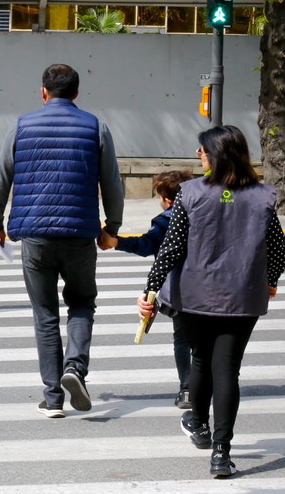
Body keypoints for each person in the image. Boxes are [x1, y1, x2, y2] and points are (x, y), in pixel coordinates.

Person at [137, 125, 285, 477]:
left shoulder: (190, 193)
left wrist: (150, 290)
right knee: (228, 369)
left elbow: (171, 248)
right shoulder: (263, 196)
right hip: (242, 296)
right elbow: (278, 250)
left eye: (202, 150)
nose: (198, 154)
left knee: (201, 358)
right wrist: (271, 282)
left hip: (195, 295)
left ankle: (199, 425)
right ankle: (221, 453)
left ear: (216, 154)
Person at [0, 64, 124, 419]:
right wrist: (112, 226)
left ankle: (52, 398)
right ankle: (74, 368)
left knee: (45, 314)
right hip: (79, 233)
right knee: (81, 303)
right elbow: (112, 182)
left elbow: (2, 177)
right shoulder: (96, 127)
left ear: (42, 91)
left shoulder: (21, 125)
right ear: (76, 93)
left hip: (35, 234)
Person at [98, 170, 194, 409]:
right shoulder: (207, 214)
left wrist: (116, 241)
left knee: (182, 339)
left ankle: (188, 389)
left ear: (168, 200)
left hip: (182, 290)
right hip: (212, 287)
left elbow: (146, 245)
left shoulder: (167, 219)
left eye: (159, 197)